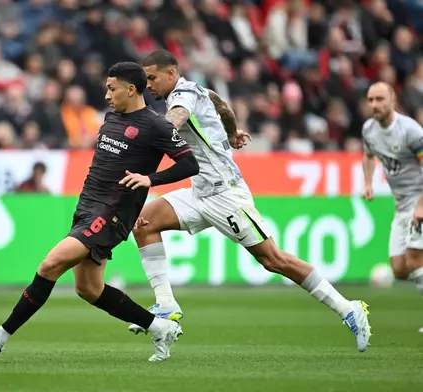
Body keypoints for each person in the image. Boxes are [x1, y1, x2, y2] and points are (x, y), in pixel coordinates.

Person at [125, 49, 372, 352]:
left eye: (152, 78)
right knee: (144, 223)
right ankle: (166, 305)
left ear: (171, 74)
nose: (148, 85)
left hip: (226, 195)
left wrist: (140, 139)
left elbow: (174, 120)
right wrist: (232, 133)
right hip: (200, 191)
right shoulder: (199, 89)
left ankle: (349, 309)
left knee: (273, 260)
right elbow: (222, 105)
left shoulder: (182, 97)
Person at [0, 62, 200, 362]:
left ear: (131, 90)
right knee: (89, 289)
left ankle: (0, 336)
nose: (106, 95)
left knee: (50, 265)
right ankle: (159, 328)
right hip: (87, 207)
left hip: (111, 214)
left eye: (111, 88)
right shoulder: (111, 117)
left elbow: (189, 164)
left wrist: (149, 180)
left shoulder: (156, 125)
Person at [362, 81, 423, 333]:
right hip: (401, 205)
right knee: (399, 268)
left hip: (418, 200)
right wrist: (368, 183)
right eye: (370, 100)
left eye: (380, 99)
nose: (374, 105)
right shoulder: (369, 129)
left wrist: (421, 205)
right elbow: (367, 155)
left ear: (392, 101)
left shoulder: (410, 131)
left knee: (415, 260)